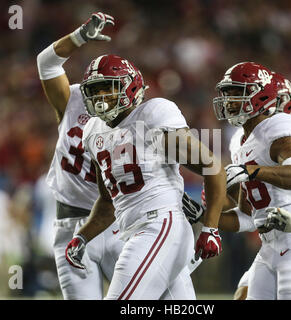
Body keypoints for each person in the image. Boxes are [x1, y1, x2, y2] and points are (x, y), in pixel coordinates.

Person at [63, 38, 228, 300]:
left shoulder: (153, 114)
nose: (100, 97)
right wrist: (82, 237)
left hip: (160, 225)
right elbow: (108, 204)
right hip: (137, 230)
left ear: (131, 87)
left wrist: (210, 228)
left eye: (108, 88)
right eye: (95, 91)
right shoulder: (93, 132)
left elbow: (212, 166)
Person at [197, 61, 291, 300]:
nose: (229, 101)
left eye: (237, 93)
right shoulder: (241, 141)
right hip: (270, 241)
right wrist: (205, 214)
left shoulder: (287, 125)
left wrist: (250, 171)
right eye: (228, 93)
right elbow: (247, 217)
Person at [37, 12, 125, 299]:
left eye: (112, 87)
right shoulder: (72, 100)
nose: (104, 95)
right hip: (71, 224)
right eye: (98, 86)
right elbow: (46, 62)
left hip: (120, 225)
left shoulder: (138, 117)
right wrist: (79, 37)